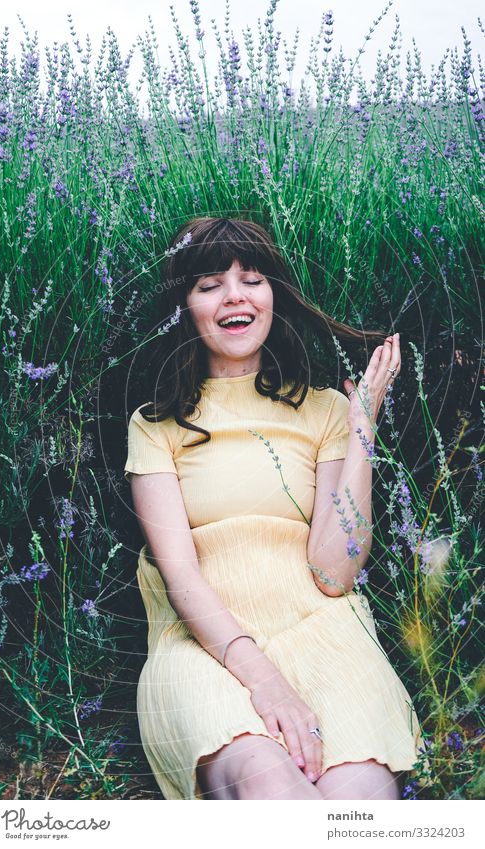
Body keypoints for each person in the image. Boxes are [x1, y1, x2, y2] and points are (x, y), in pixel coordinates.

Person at [124, 216, 426, 800]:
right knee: (275, 796)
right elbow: (180, 575)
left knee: (357, 809)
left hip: (323, 629)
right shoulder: (155, 426)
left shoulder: (323, 411)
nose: (234, 295)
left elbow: (333, 574)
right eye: (209, 284)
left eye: (251, 279)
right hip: (203, 645)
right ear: (185, 307)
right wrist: (267, 684)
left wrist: (361, 425)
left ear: (273, 298)